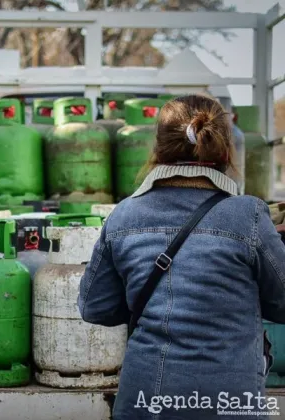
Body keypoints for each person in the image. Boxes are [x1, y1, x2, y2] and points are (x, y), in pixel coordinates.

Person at [78, 94, 285, 419]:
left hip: (145, 401)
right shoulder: (250, 216)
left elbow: (95, 307)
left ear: (158, 150)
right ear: (226, 151)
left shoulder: (123, 215)